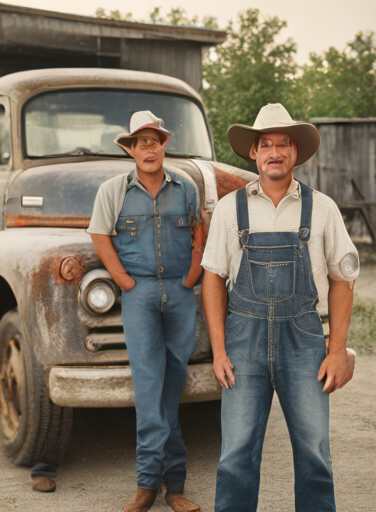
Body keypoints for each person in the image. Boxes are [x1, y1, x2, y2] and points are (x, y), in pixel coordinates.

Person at [201, 103, 358, 512]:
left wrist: (338, 350)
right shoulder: (229, 208)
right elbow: (213, 280)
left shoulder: (322, 208)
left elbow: (343, 282)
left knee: (314, 454)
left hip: (305, 342)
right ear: (253, 153)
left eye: (283, 144)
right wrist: (219, 350)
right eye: (265, 144)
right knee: (235, 455)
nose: (274, 152)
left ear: (295, 152)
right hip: (242, 342)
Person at [87, 111, 204, 512]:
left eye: (154, 140)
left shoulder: (185, 186)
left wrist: (191, 276)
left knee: (172, 388)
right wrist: (123, 280)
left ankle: (175, 488)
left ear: (163, 145)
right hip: (139, 294)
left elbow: (198, 230)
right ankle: (147, 485)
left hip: (179, 292)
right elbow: (99, 235)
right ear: (131, 149)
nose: (149, 148)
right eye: (141, 142)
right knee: (150, 386)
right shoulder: (114, 190)